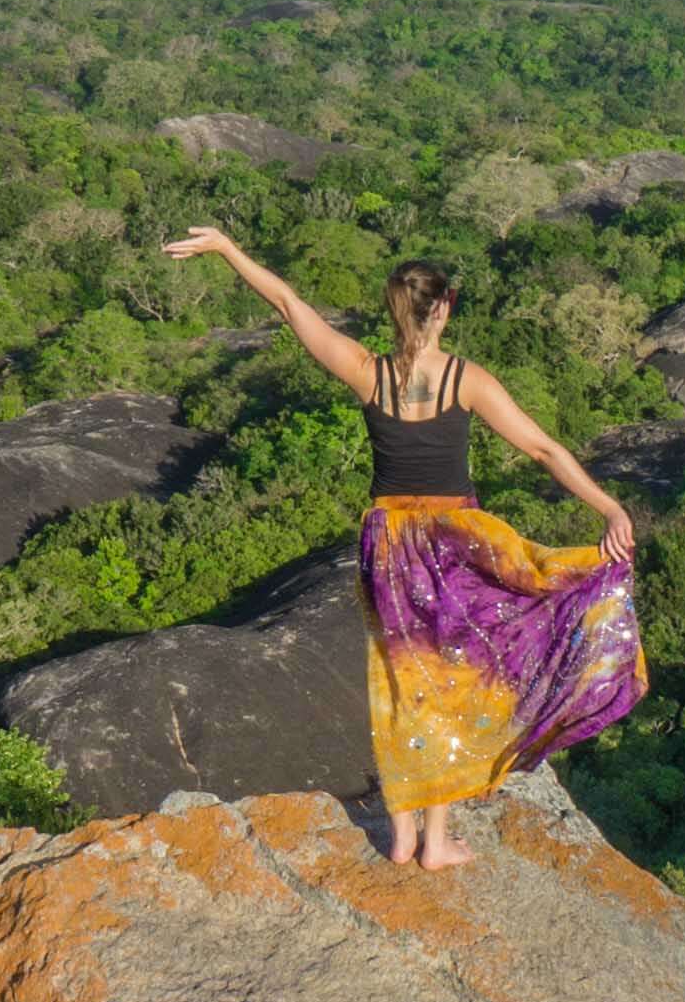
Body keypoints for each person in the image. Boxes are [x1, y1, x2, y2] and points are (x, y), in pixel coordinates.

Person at [158, 227, 643, 870]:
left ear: (395, 310)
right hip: (454, 542)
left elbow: (287, 303)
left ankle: (405, 838)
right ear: (443, 309)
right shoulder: (467, 381)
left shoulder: (366, 372)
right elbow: (543, 449)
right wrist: (608, 506)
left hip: (388, 544)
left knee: (399, 678)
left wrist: (227, 248)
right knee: (451, 676)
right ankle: (434, 842)